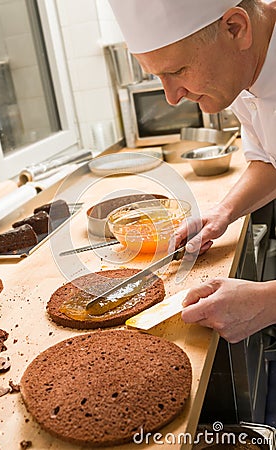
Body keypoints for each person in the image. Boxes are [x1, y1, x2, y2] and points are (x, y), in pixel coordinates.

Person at [109, 0, 276, 343]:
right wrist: (222, 212)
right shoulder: (244, 67)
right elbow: (268, 161)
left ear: (235, 28)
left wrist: (268, 302)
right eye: (158, 76)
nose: (171, 97)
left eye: (178, 70)